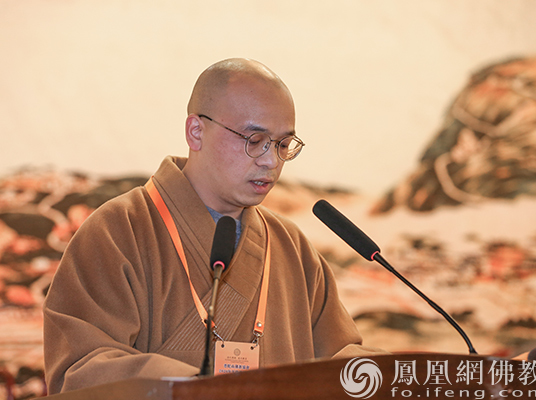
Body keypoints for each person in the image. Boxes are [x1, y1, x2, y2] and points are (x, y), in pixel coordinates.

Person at [43, 58, 383, 394]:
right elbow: (80, 369)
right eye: (254, 139)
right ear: (196, 131)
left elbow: (339, 364)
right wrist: (198, 390)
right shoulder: (119, 230)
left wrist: (405, 374)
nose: (271, 160)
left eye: (282, 145)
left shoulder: (290, 245)